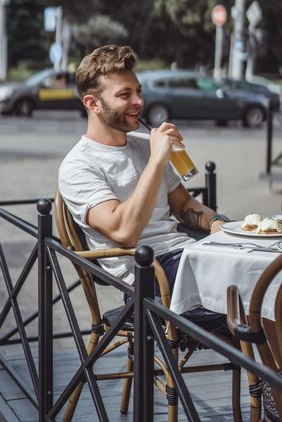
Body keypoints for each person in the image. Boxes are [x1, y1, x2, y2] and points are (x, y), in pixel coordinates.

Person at [58, 44, 230, 297]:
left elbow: (183, 205)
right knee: (249, 291)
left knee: (277, 272)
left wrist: (217, 224)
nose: (139, 101)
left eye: (138, 91)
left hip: (185, 253)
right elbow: (124, 232)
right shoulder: (78, 166)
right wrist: (157, 160)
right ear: (92, 103)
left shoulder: (144, 145)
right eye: (125, 95)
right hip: (145, 275)